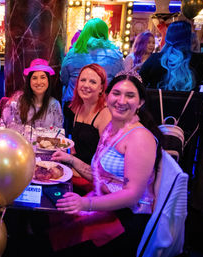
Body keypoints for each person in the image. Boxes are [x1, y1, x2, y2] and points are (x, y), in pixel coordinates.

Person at [49, 71, 163, 257]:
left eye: (130, 95)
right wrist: (70, 159)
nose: (121, 100)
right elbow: (100, 175)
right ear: (108, 95)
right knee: (50, 220)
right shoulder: (112, 128)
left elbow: (132, 196)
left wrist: (85, 203)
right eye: (116, 93)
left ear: (141, 102)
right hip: (105, 203)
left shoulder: (140, 137)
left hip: (126, 219)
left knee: (54, 243)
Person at [61, 18, 124, 136]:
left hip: (73, 103)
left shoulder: (73, 52)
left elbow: (63, 79)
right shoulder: (116, 55)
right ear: (104, 33)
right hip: (102, 106)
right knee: (101, 141)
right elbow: (120, 82)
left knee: (71, 141)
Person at [140, 21, 203, 91]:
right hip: (188, 109)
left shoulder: (154, 59)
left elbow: (140, 82)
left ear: (168, 37)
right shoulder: (199, 60)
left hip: (155, 109)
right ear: (188, 39)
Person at [69, 63, 111, 194]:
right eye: (83, 80)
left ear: (101, 88)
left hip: (93, 183)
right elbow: (76, 147)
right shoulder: (79, 106)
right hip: (74, 173)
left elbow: (105, 165)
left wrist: (72, 163)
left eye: (92, 82)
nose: (86, 85)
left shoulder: (105, 114)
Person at [0, 58, 63, 132]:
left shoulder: (54, 104)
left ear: (48, 80)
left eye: (43, 77)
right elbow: (3, 128)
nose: (39, 82)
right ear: (29, 81)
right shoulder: (16, 101)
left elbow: (59, 133)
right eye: (34, 78)